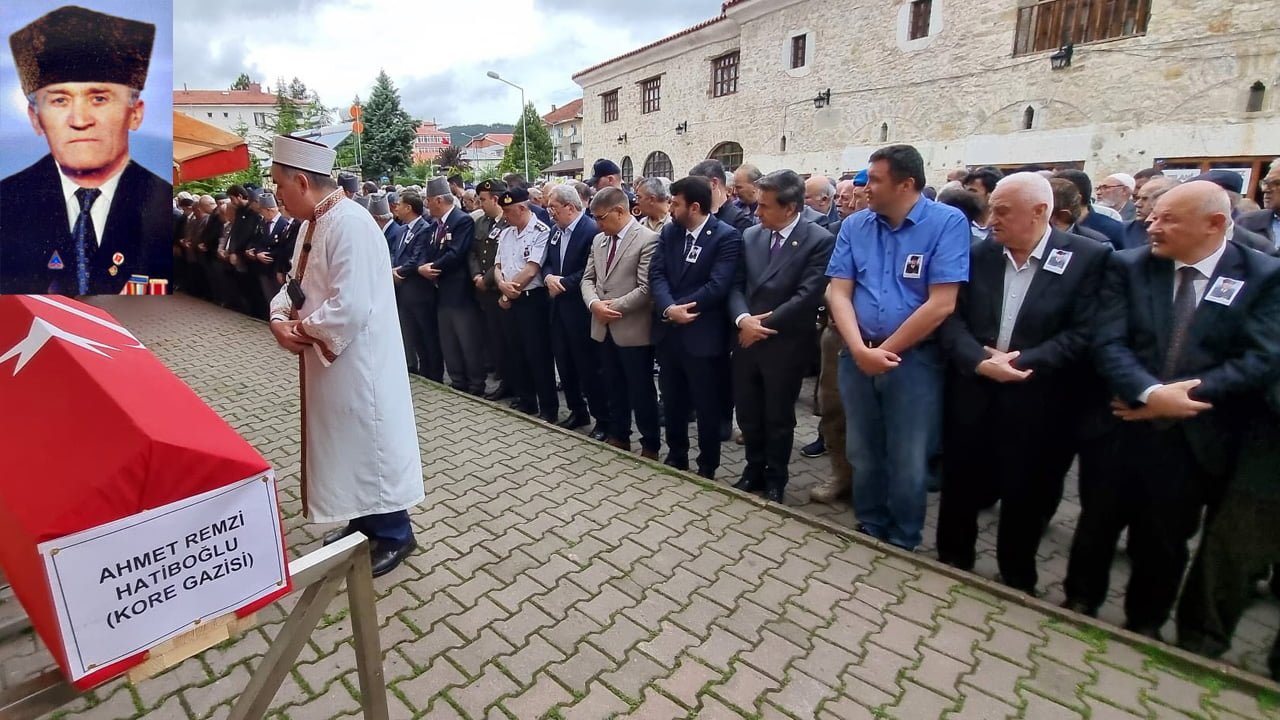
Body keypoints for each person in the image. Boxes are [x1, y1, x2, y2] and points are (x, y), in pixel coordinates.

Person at [1063, 181, 1280, 638]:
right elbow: (1108, 342)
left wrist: (1179, 399)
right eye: (1153, 215)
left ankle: (1146, 624)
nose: (1151, 225)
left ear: (1215, 225)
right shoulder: (1127, 265)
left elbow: (1260, 358)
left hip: (1193, 435)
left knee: (1164, 537)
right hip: (1120, 420)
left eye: (1167, 219)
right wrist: (1148, 392)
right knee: (1097, 523)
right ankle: (1079, 603)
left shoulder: (1261, 275)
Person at [934, 173, 1112, 595]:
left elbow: (1084, 332)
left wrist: (1019, 362)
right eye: (992, 207)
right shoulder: (980, 256)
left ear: (1040, 212)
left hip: (1040, 400)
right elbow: (950, 318)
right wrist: (979, 361)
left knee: (1028, 494)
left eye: (1003, 211)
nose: (991, 217)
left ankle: (1017, 578)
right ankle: (952, 562)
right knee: (960, 485)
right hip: (974, 393)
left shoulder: (1089, 258)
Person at [266, 135, 424, 578]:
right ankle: (361, 524)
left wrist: (296, 329)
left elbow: (349, 306)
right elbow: (294, 286)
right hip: (330, 361)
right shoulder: (311, 224)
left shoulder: (350, 223)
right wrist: (278, 316)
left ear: (301, 180)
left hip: (360, 365)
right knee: (346, 446)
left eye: (279, 183)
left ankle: (395, 532)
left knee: (368, 446)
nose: (275, 192)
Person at [826, 144, 970, 550]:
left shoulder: (946, 223)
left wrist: (882, 351)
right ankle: (870, 524)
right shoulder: (855, 226)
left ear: (906, 184)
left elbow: (942, 301)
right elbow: (838, 292)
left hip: (913, 361)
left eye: (874, 179)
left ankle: (904, 538)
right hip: (856, 355)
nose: (864, 188)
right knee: (863, 449)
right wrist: (859, 350)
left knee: (908, 457)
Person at [0, 5, 171, 295]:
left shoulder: (163, 205)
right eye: (59, 101)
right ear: (35, 118)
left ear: (136, 113)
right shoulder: (6, 204)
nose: (79, 121)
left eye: (99, 98)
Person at [729, 170, 836, 503]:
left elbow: (806, 295)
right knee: (748, 411)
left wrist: (761, 327)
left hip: (784, 344)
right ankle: (753, 470)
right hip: (746, 339)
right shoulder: (750, 236)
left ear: (790, 208)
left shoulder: (818, 240)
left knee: (777, 416)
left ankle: (775, 478)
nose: (757, 213)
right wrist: (743, 319)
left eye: (765, 206)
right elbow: (735, 285)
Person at [650, 176, 742, 480]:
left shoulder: (726, 237)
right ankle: (677, 455)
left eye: (675, 203)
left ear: (695, 206)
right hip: (670, 332)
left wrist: (682, 308)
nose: (671, 208)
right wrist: (668, 309)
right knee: (673, 399)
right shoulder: (670, 232)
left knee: (706, 405)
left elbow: (717, 285)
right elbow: (657, 274)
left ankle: (707, 464)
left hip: (702, 336)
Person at [581, 187, 661, 459]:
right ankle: (620, 435)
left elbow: (646, 288)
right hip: (603, 326)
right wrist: (594, 305)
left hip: (632, 329)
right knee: (613, 385)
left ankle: (650, 443)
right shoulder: (598, 241)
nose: (598, 224)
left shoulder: (648, 240)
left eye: (601, 217)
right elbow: (587, 279)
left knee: (641, 390)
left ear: (620, 211)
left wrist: (612, 307)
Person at [542, 184, 607, 434]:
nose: (551, 214)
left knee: (588, 367)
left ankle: (602, 419)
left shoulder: (590, 230)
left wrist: (564, 283)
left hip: (580, 310)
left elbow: (590, 270)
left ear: (570, 207)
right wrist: (549, 277)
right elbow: (548, 261)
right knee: (565, 363)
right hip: (557, 309)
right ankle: (577, 411)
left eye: (554, 208)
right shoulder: (556, 231)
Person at [494, 187, 559, 422]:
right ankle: (527, 400)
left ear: (523, 208)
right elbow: (498, 266)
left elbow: (532, 269)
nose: (505, 216)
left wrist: (507, 294)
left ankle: (549, 408)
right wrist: (501, 286)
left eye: (509, 211)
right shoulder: (506, 233)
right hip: (510, 299)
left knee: (538, 355)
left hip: (532, 300)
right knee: (516, 351)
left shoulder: (541, 231)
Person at [421, 177, 485, 396]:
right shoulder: (434, 225)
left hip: (459, 292)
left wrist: (433, 267)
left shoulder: (461, 221)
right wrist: (423, 266)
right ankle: (458, 381)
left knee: (467, 340)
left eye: (428, 200)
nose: (426, 205)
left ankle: (475, 383)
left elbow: (456, 253)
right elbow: (428, 250)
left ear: (439, 200)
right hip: (440, 292)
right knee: (449, 341)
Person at [469, 179, 511, 401]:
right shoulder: (481, 222)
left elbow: (501, 258)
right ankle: (503, 378)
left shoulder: (507, 222)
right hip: (483, 291)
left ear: (496, 199)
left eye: (483, 200)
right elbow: (473, 252)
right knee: (493, 338)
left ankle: (510, 381)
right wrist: (476, 275)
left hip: (498, 288)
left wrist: (486, 279)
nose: (479, 204)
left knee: (505, 340)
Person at [390, 190, 440, 379]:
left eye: (400, 204)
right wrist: (393, 268)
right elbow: (396, 254)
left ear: (409, 207)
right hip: (404, 290)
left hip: (419, 290)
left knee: (427, 334)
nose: (397, 207)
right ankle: (423, 371)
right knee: (415, 335)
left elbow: (418, 258)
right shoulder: (402, 229)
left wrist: (398, 272)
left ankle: (434, 374)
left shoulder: (424, 228)